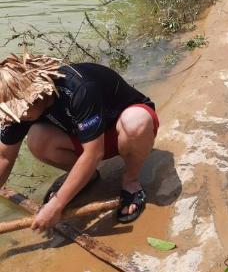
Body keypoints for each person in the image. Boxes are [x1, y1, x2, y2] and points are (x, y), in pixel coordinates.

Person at [0, 53, 158, 231]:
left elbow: (94, 153)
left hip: (120, 131)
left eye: (21, 110)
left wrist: (57, 204)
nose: (18, 116)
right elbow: (4, 157)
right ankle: (87, 177)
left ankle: (131, 181)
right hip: (85, 138)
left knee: (136, 122)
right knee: (37, 139)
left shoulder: (79, 89)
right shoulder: (21, 114)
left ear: (37, 94)